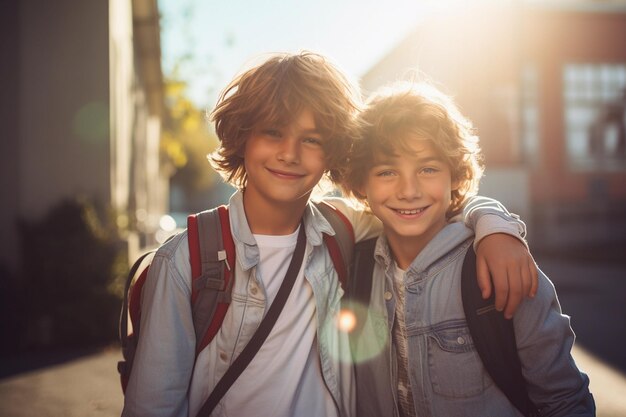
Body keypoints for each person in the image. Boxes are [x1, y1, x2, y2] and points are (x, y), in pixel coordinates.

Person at [121, 52, 537, 417]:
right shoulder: (186, 259)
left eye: (312, 139)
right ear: (242, 135)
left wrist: (496, 228)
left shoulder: (342, 227)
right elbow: (154, 406)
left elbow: (428, 206)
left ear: (333, 151)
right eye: (272, 132)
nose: (290, 152)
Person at [344, 81, 596, 417]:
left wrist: (493, 223)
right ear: (362, 182)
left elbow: (563, 400)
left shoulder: (497, 267)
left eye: (427, 169)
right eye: (387, 171)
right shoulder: (352, 266)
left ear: (455, 175)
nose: (408, 190)